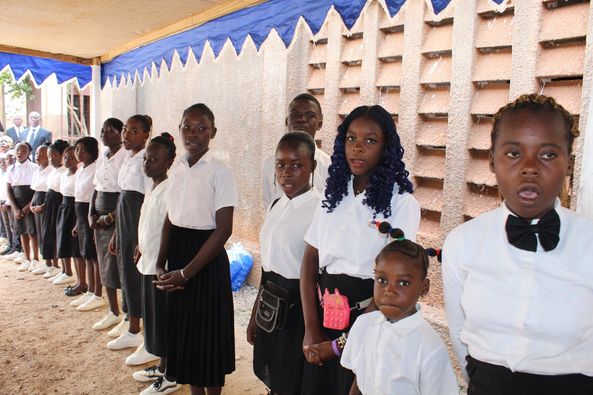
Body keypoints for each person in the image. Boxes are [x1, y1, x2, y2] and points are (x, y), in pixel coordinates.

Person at [442, 94, 593, 395]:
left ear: (569, 163)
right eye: (513, 153)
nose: (529, 168)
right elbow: (459, 331)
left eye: (548, 154)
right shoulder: (463, 243)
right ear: (492, 160)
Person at [300, 105, 420, 395]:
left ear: (386, 147)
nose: (357, 148)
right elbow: (309, 260)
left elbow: (392, 285)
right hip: (324, 313)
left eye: (370, 140)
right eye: (351, 139)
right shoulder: (333, 196)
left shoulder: (401, 204)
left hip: (372, 315)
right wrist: (311, 328)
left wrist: (340, 345)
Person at [153, 103, 236, 395]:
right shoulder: (176, 167)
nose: (193, 133)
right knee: (185, 335)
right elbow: (170, 216)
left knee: (207, 338)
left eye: (201, 128)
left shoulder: (220, 171)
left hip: (206, 257)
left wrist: (186, 274)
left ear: (213, 132)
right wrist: (161, 263)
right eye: (187, 126)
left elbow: (224, 228)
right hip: (178, 251)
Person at [341, 228, 458, 394]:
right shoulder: (363, 325)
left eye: (403, 283)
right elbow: (358, 381)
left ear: (424, 287)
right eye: (382, 280)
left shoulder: (429, 348)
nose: (389, 291)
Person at [247, 131, 320, 395]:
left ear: (312, 166)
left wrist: (312, 327)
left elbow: (315, 272)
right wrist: (256, 313)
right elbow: (268, 267)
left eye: (296, 165)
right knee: (273, 371)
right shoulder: (277, 204)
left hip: (300, 305)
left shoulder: (320, 210)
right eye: (280, 165)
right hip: (271, 299)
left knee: (293, 376)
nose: (286, 173)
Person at [132, 133, 179, 393]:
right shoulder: (152, 187)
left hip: (160, 267)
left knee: (164, 323)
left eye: (154, 159)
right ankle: (162, 366)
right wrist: (140, 244)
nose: (147, 163)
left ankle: (171, 375)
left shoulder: (170, 189)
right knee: (154, 321)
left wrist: (160, 261)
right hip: (146, 262)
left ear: (169, 162)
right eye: (146, 159)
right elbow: (148, 223)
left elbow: (169, 229)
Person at [107, 115, 152, 351]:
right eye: (125, 129)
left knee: (137, 275)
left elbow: (147, 200)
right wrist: (116, 234)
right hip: (124, 221)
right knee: (125, 270)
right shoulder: (127, 158)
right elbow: (121, 196)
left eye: (133, 131)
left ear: (146, 135)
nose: (126, 134)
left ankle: (139, 330)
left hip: (137, 220)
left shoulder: (146, 160)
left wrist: (141, 238)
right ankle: (131, 323)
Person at [89, 118, 127, 333]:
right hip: (98, 217)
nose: (104, 134)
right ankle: (113, 312)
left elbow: (126, 194)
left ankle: (128, 314)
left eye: (110, 130)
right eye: (103, 130)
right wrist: (90, 214)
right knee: (104, 265)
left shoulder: (125, 157)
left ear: (121, 134)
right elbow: (96, 187)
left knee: (119, 265)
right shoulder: (102, 157)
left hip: (116, 217)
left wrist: (110, 218)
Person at [261, 93, 330, 210]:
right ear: (287, 121)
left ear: (320, 123)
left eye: (310, 115)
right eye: (295, 114)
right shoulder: (268, 164)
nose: (301, 119)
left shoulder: (329, 166)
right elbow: (269, 205)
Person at [70, 137, 105, 310]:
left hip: (91, 213)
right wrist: (78, 223)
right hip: (81, 214)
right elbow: (78, 196)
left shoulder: (96, 168)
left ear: (92, 151)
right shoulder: (81, 169)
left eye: (83, 150)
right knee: (87, 255)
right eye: (76, 150)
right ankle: (90, 292)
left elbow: (94, 195)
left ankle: (98, 292)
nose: (78, 153)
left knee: (95, 256)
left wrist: (90, 218)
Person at [6, 142, 39, 271]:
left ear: (29, 153)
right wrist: (15, 208)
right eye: (18, 150)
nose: (20, 152)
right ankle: (27, 258)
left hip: (30, 201)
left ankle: (35, 259)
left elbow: (37, 189)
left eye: (24, 150)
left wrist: (28, 206)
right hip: (17, 202)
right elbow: (9, 189)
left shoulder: (34, 168)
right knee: (22, 231)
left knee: (32, 231)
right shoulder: (11, 168)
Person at [54, 146, 83, 288]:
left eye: (71, 157)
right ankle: (66, 271)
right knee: (63, 241)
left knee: (76, 248)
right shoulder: (63, 175)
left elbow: (79, 198)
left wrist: (78, 220)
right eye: (65, 157)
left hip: (74, 210)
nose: (67, 160)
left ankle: (81, 281)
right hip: (64, 208)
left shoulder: (79, 175)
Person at [41, 140, 69, 281]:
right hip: (50, 204)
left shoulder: (65, 172)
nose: (51, 159)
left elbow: (63, 193)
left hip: (59, 205)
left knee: (59, 236)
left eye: (54, 155)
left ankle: (65, 270)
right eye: (49, 156)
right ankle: (53, 265)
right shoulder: (53, 172)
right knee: (49, 234)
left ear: (63, 155)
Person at [29, 144, 54, 275]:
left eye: (42, 154)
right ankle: (47, 262)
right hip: (37, 201)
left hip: (46, 202)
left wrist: (42, 206)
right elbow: (35, 190)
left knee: (48, 234)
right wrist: (31, 205)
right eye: (37, 153)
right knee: (40, 234)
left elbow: (51, 193)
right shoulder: (37, 170)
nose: (38, 156)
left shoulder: (51, 171)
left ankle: (54, 265)